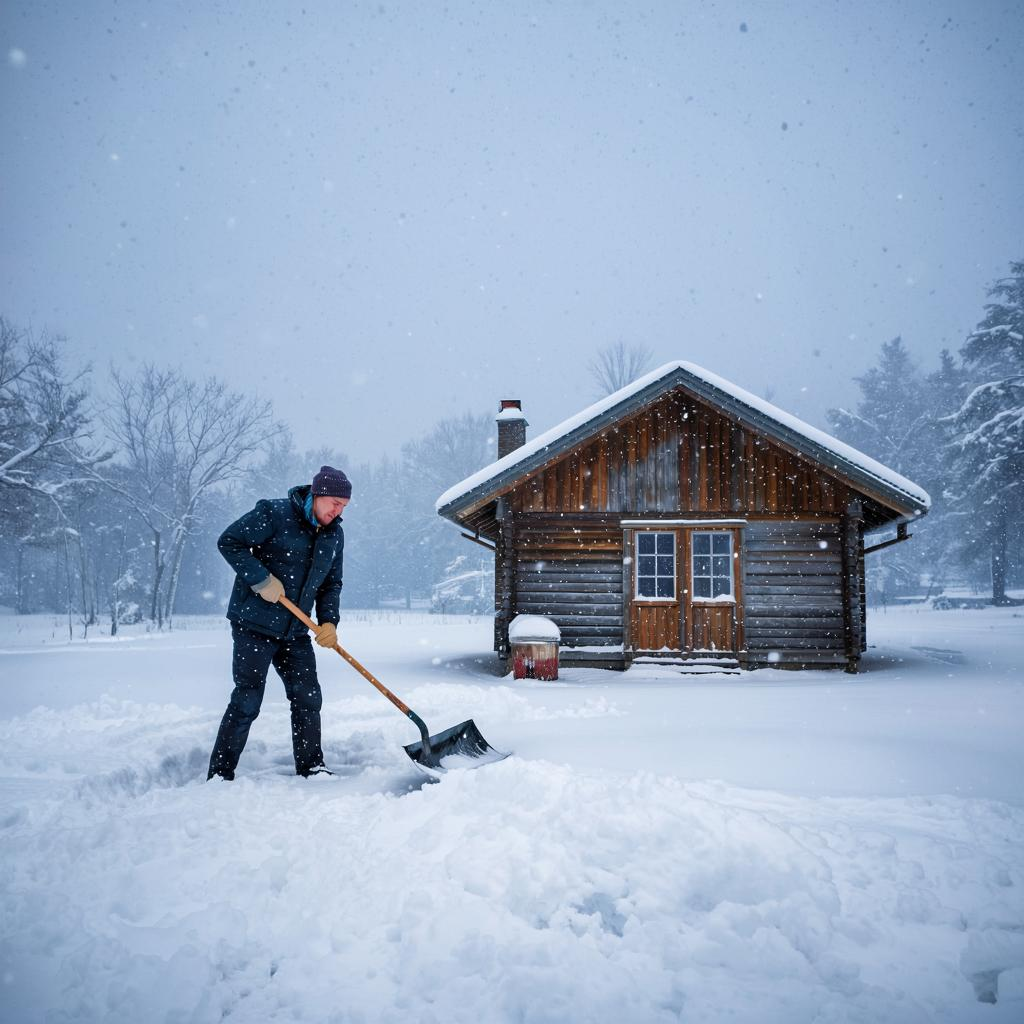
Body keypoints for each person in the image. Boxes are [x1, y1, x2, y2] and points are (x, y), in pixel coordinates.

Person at [207, 465, 351, 780]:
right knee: (248, 698)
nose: (339, 511)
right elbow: (229, 541)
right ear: (317, 495)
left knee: (308, 697)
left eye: (344, 506)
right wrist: (261, 580)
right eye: (334, 503)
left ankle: (312, 766)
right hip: (254, 624)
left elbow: (331, 584)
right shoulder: (274, 513)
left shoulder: (334, 535)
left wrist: (329, 622)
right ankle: (220, 772)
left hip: (295, 631)